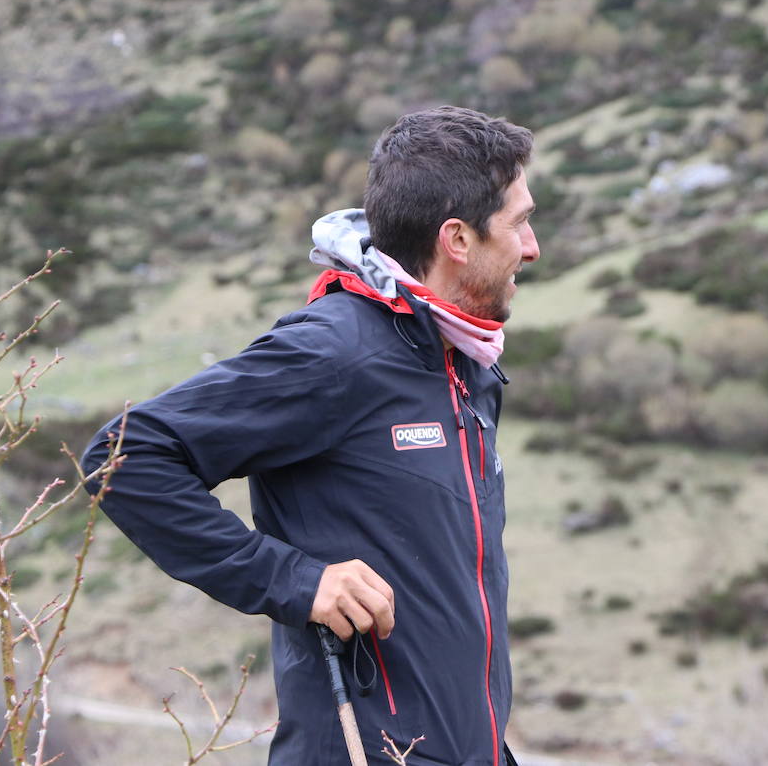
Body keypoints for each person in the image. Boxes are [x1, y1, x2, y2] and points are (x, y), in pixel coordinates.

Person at [80, 106, 540, 766]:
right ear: (457, 239)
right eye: (520, 222)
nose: (533, 247)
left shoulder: (462, 361)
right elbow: (125, 457)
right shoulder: (336, 353)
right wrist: (294, 579)